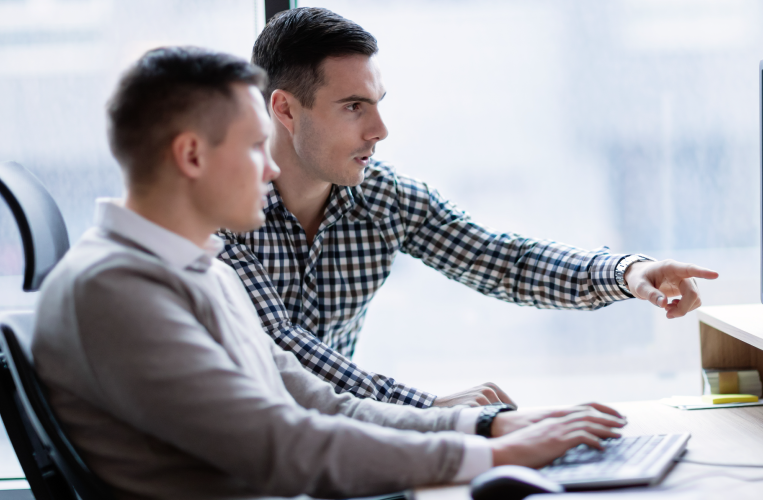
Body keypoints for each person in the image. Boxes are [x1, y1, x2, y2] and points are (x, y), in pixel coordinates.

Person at [31, 46, 626, 499]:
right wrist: (497, 460)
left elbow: (321, 404)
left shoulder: (200, 270)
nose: (270, 172)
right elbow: (280, 443)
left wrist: (487, 427)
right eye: (254, 149)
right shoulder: (110, 289)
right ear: (191, 155)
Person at [220, 7, 720, 409]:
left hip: (337, 445)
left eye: (378, 103)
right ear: (284, 109)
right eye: (354, 107)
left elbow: (503, 260)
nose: (380, 130)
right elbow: (279, 350)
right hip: (231, 460)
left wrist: (627, 270)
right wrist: (429, 407)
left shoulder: (384, 198)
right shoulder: (218, 211)